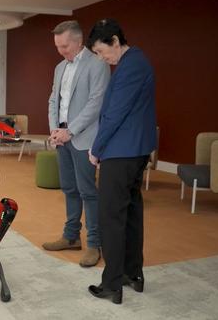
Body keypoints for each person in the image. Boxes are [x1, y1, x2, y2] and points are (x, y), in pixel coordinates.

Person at [86, 19, 157, 304]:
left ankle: (112, 284)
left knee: (110, 217)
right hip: (135, 150)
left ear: (115, 41)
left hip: (122, 151)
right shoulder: (136, 62)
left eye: (103, 52)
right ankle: (132, 273)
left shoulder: (131, 65)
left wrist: (97, 147)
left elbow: (115, 113)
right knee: (130, 213)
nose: (104, 59)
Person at [42, 20, 110, 268]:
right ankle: (71, 236)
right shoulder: (60, 67)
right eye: (58, 46)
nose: (61, 51)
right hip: (62, 138)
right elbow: (53, 100)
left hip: (83, 139)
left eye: (64, 45)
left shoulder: (97, 64)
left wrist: (70, 131)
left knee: (88, 192)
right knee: (69, 189)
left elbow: (96, 103)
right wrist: (54, 129)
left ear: (79, 41)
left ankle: (94, 243)